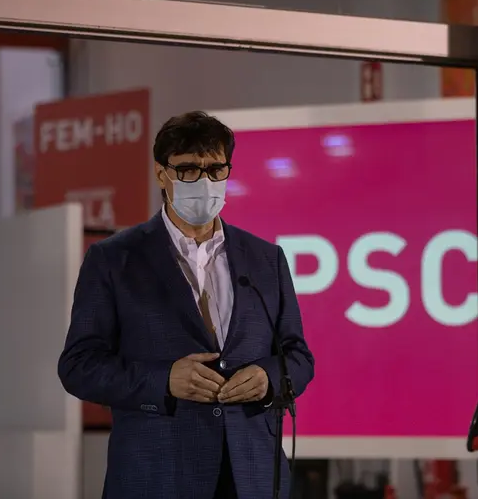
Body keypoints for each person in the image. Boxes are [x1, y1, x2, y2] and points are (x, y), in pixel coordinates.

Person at [58, 111, 315, 499]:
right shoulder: (114, 259)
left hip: (251, 474)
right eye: (189, 170)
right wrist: (163, 380)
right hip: (158, 473)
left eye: (215, 169)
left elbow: (297, 356)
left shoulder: (265, 259)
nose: (205, 181)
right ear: (162, 174)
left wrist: (268, 379)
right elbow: (79, 367)